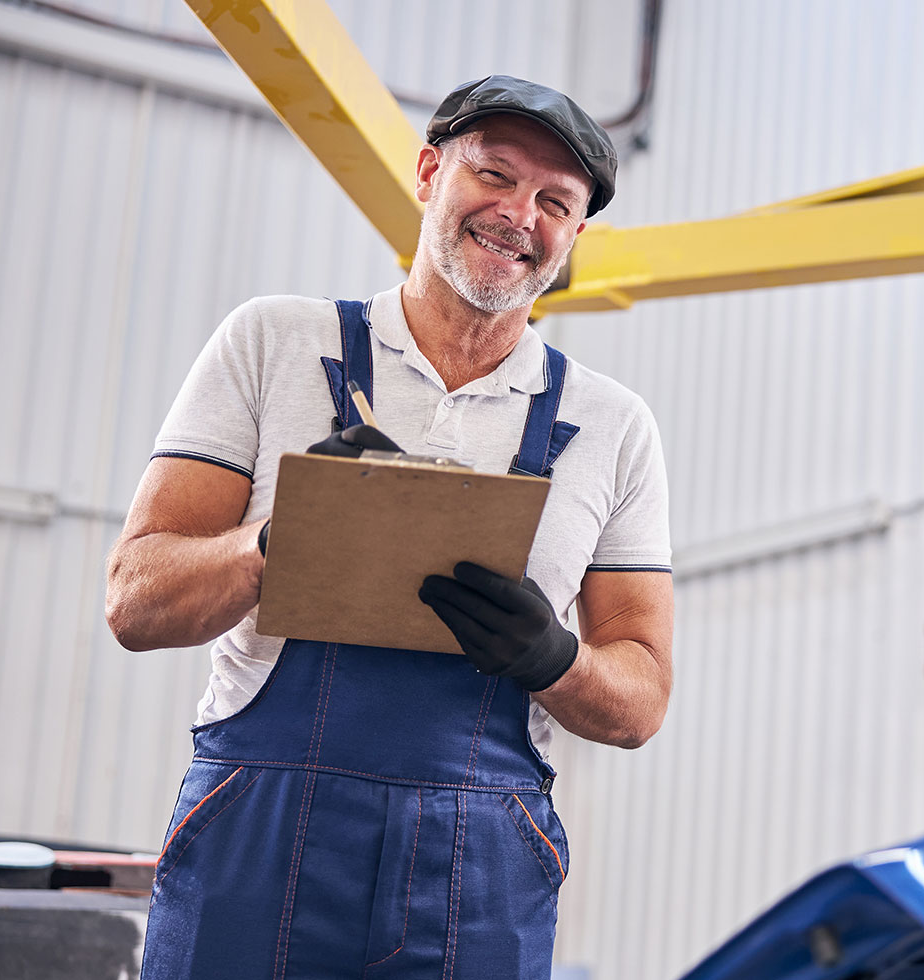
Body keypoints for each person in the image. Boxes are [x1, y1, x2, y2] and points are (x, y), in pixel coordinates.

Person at [106, 75, 673, 980]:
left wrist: (552, 659)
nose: (519, 214)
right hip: (261, 827)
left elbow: (641, 699)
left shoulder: (613, 425)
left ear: (572, 238)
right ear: (427, 173)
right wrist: (276, 541)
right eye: (494, 174)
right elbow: (136, 603)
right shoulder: (274, 342)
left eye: (555, 202)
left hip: (481, 859)